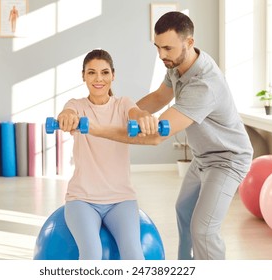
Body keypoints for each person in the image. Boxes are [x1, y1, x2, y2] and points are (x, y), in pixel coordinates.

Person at [88, 12, 253, 260]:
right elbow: (158, 98)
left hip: (227, 160)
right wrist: (120, 114)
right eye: (157, 47)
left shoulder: (204, 85)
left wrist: (99, 130)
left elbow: (156, 136)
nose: (161, 55)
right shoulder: (178, 66)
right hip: (203, 157)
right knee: (184, 212)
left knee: (204, 230)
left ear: (189, 43)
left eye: (167, 48)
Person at [56, 49, 147, 260]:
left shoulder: (123, 104)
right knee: (92, 253)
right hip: (82, 199)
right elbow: (67, 113)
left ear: (113, 75)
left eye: (105, 72)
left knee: (134, 255)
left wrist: (144, 118)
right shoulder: (76, 105)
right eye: (91, 73)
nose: (99, 79)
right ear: (83, 76)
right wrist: (66, 117)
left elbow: (136, 113)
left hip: (121, 199)